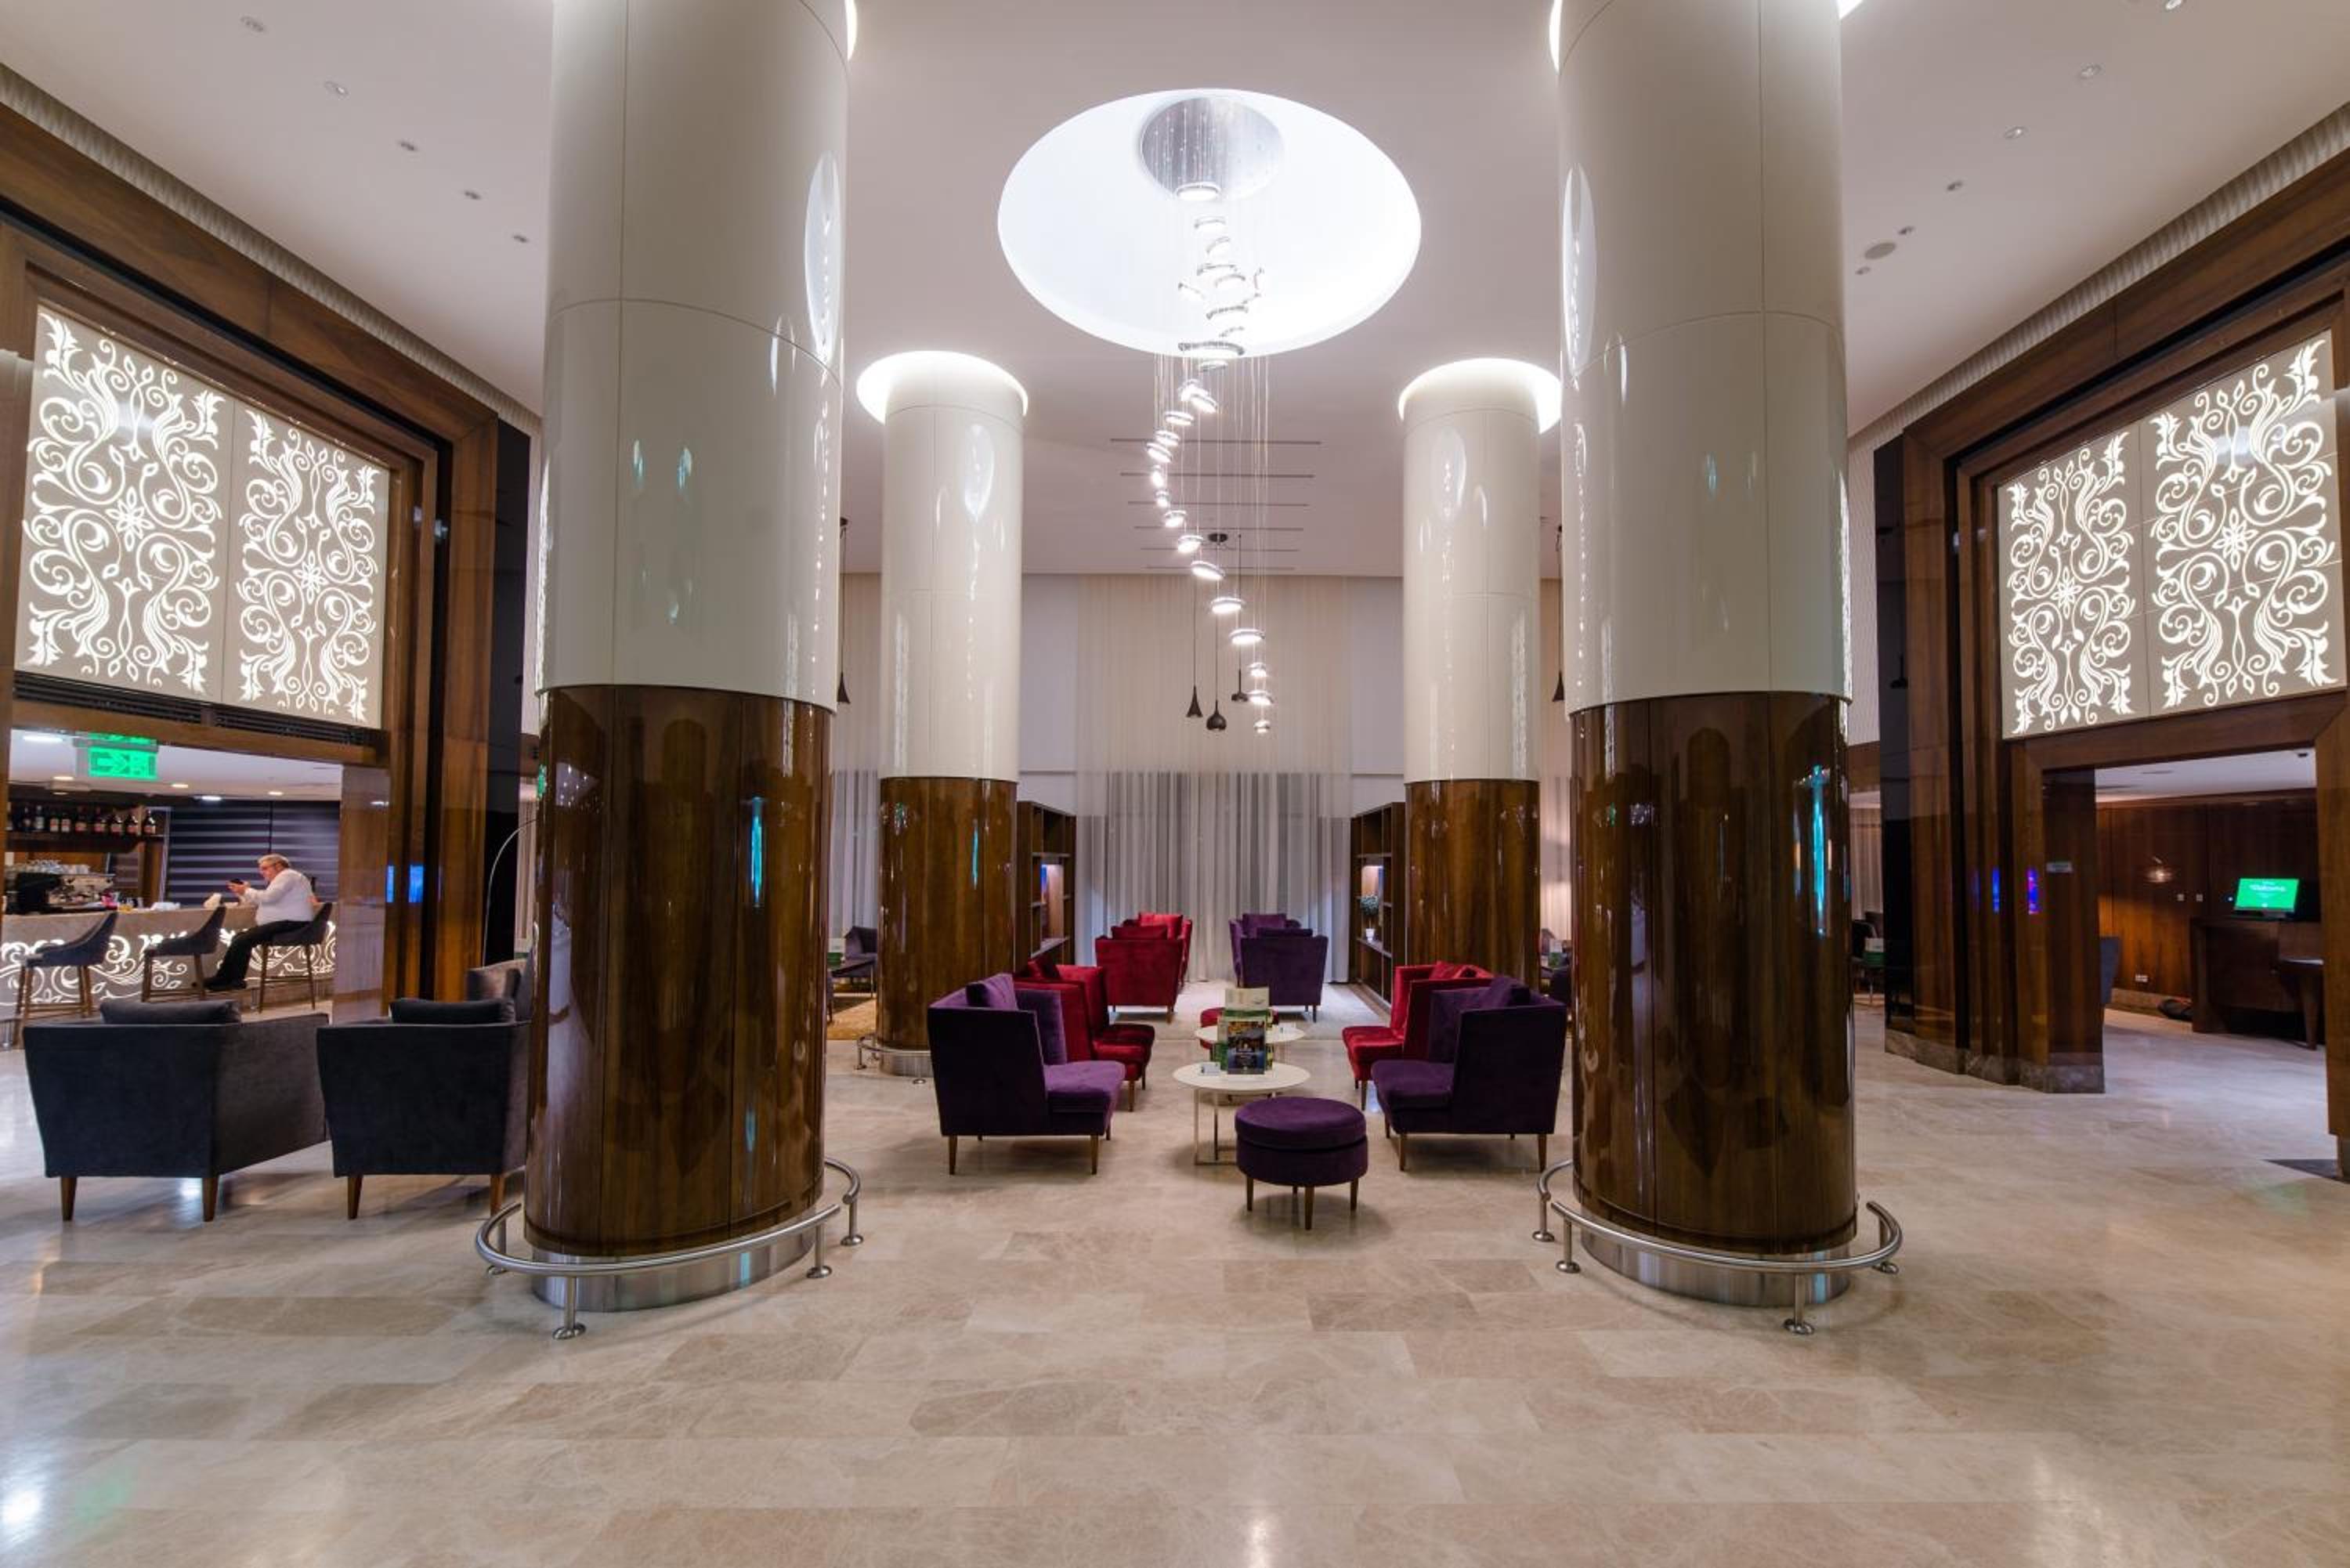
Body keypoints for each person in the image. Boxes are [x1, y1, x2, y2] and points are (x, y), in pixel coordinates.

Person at [202, 853, 317, 994]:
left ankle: (229, 980)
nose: (261, 872)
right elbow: (267, 900)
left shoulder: (287, 875)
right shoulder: (288, 878)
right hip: (291, 923)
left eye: (265, 868)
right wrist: (243, 892)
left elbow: (269, 898)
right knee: (239, 938)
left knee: (242, 940)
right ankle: (229, 979)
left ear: (278, 866)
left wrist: (246, 890)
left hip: (290, 924)